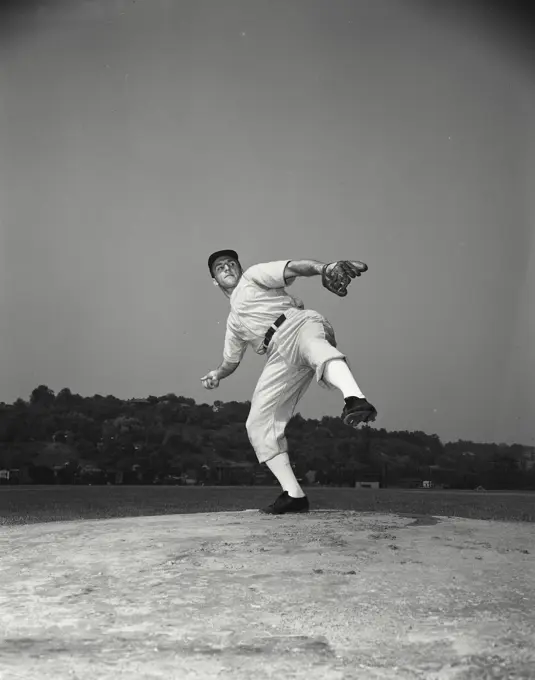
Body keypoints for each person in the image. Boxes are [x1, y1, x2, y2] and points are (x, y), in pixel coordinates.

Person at [201, 249, 377, 515]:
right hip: (278, 355)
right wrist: (217, 373)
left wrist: (324, 268)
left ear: (239, 267)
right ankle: (294, 496)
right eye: (219, 267)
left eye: (230, 263)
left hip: (297, 323)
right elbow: (231, 361)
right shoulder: (233, 323)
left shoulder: (252, 277)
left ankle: (355, 399)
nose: (226, 268)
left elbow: (293, 267)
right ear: (215, 280)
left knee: (314, 347)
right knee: (258, 423)